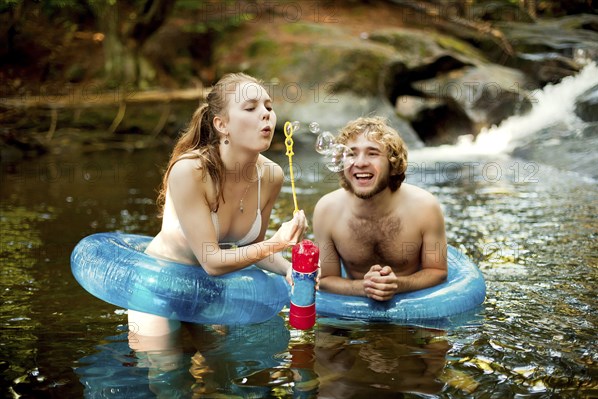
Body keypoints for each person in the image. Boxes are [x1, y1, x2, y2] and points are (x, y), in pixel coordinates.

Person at [128, 72, 307, 337]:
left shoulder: (271, 176)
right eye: (251, 108)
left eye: (269, 107)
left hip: (210, 291)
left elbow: (252, 248)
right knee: (168, 370)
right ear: (222, 124)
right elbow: (211, 261)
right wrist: (278, 242)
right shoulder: (190, 171)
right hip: (161, 286)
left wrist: (289, 269)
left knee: (219, 371)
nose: (266, 114)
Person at [313, 116, 447, 301]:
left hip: (412, 306)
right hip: (355, 311)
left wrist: (399, 285)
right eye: (351, 154)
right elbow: (326, 279)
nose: (360, 163)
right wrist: (363, 287)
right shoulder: (327, 210)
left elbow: (437, 271)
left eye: (373, 153)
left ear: (393, 164)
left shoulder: (424, 207)